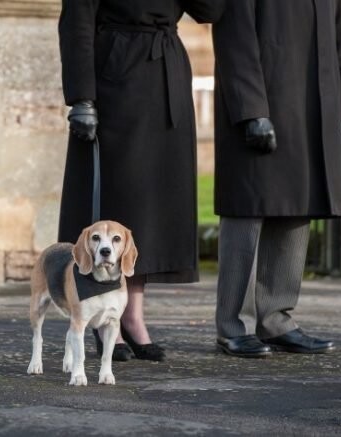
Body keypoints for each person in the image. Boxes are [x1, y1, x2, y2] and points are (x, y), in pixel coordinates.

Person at [58, 0, 225, 361]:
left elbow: (210, 10)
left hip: (166, 79)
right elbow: (77, 22)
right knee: (121, 202)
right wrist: (81, 98)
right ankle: (104, 321)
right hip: (116, 83)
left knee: (150, 208)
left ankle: (131, 317)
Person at [212, 0, 341, 357]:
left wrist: (338, 109)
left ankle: (276, 319)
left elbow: (336, 45)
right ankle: (231, 325)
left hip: (311, 107)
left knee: (295, 205)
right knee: (247, 210)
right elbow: (233, 37)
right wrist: (251, 111)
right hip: (261, 103)